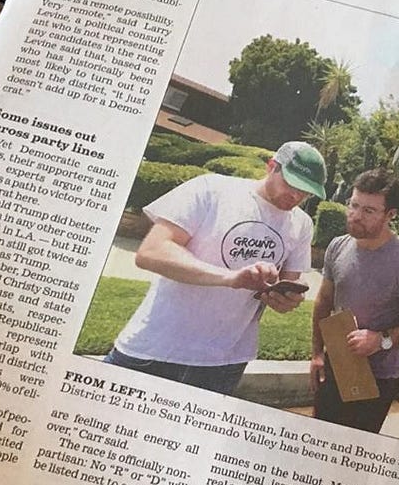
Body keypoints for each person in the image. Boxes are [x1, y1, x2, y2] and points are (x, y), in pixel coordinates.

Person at [104, 141, 326, 395]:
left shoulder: (302, 224)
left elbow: (288, 284)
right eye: (291, 184)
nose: (296, 196)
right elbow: (151, 252)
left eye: (306, 192)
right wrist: (229, 278)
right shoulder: (212, 189)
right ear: (271, 167)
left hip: (225, 363)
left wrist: (285, 299)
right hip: (155, 349)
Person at [310, 168, 399, 432]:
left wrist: (381, 340)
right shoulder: (338, 246)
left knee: (352, 455)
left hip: (379, 376)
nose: (356, 215)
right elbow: (324, 301)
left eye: (369, 211)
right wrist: (316, 354)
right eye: (354, 205)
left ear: (390, 215)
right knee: (317, 441)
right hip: (336, 360)